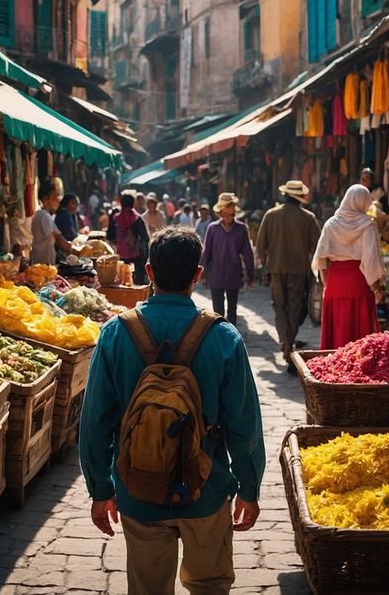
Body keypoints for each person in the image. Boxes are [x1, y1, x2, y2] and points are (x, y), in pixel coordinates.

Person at [79, 226, 265, 595]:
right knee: (210, 586)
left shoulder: (116, 333)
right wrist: (249, 488)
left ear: (148, 272)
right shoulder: (223, 337)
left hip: (138, 490)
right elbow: (244, 425)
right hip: (206, 492)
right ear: (198, 275)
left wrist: (100, 489)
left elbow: (95, 421)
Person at [256, 181, 321, 369]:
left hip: (275, 268)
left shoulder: (271, 215)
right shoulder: (308, 217)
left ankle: (284, 340)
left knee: (279, 306)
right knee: (294, 307)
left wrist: (268, 260)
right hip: (298, 269)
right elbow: (318, 245)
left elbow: (261, 246)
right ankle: (288, 342)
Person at [312, 184, 384, 350]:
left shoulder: (331, 224)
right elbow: (370, 260)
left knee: (338, 329)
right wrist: (376, 287)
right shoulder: (368, 225)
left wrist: (327, 283)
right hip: (359, 282)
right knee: (359, 333)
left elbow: (321, 259)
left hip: (335, 282)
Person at [201, 193, 255, 327]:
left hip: (233, 275)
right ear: (220, 212)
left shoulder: (242, 229)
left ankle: (232, 337)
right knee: (217, 312)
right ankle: (219, 337)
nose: (228, 217)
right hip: (216, 275)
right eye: (225, 214)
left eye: (231, 215)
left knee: (232, 310)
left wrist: (250, 275)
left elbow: (247, 254)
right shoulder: (212, 228)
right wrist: (203, 271)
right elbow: (206, 251)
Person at [107, 192, 150, 285]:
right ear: (133, 203)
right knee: (138, 282)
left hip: (121, 256)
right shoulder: (137, 218)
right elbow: (145, 238)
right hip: (136, 256)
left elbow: (110, 236)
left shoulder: (116, 218)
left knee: (123, 281)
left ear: (121, 203)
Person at [30, 181, 75, 265]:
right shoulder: (44, 216)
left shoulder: (40, 214)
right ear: (44, 198)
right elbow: (58, 239)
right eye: (54, 196)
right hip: (43, 261)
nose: (57, 199)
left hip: (39, 259)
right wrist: (72, 249)